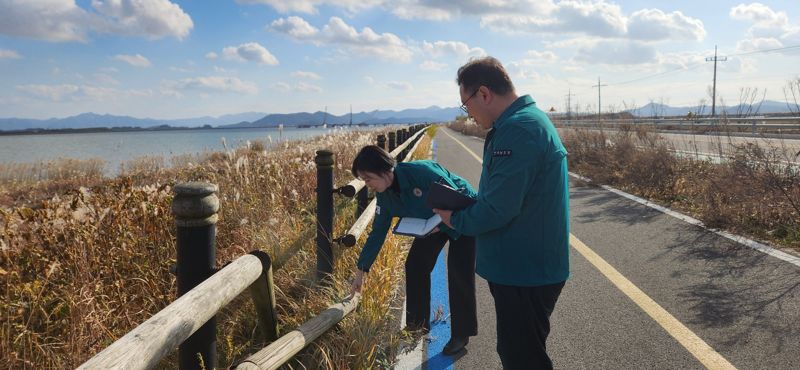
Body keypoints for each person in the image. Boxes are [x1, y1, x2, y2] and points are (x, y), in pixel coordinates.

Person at [434, 56, 570, 369]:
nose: (467, 114)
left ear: (484, 94)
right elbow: (504, 196)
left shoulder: (519, 130)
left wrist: (454, 219)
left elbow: (498, 208)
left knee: (522, 357)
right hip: (525, 265)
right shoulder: (523, 122)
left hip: (525, 270)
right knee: (519, 351)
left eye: (466, 104)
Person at [348, 145, 478, 356]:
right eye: (363, 180)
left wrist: (445, 222)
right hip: (432, 223)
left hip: (463, 215)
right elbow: (377, 233)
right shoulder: (384, 197)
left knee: (459, 272)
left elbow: (457, 197)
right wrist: (360, 271)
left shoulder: (421, 172)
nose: (367, 185)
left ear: (383, 170)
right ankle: (417, 324)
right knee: (416, 264)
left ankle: (461, 335)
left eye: (368, 178)